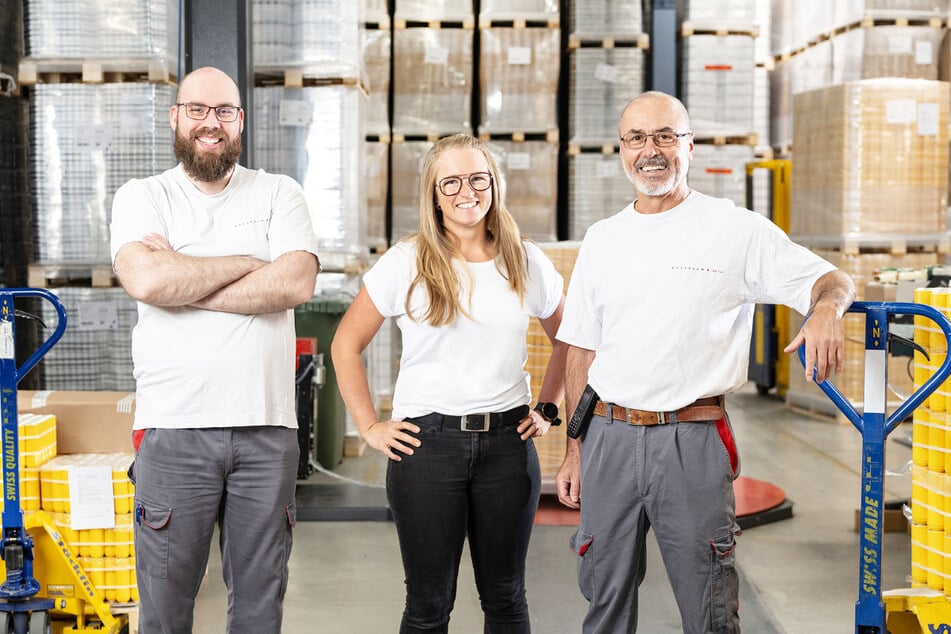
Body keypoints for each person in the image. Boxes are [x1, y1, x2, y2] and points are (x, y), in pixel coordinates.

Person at [554, 91, 855, 633]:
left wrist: (827, 310)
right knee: (603, 599)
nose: (652, 151)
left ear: (689, 145)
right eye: (638, 138)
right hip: (608, 437)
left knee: (710, 606)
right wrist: (575, 448)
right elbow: (580, 348)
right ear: (622, 151)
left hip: (691, 441)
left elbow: (831, 279)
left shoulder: (734, 230)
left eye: (666, 136)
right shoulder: (603, 240)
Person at [109, 66, 320, 633]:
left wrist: (186, 275)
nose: (211, 122)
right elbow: (148, 282)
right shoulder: (143, 197)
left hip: (266, 432)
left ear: (240, 121)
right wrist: (250, 264)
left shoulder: (280, 192)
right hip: (175, 431)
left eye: (224, 111)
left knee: (259, 607)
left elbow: (295, 283)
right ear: (176, 117)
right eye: (198, 110)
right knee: (165, 610)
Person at [331, 133, 567, 633]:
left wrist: (547, 408)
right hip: (427, 448)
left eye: (478, 178)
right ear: (434, 194)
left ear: (494, 185)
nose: (467, 192)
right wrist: (370, 426)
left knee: (506, 600)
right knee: (428, 606)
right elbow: (344, 344)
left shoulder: (524, 260)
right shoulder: (406, 261)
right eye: (452, 182)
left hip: (507, 446)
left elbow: (570, 339)